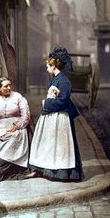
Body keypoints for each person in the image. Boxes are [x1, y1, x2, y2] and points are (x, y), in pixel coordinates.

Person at [29, 47, 85, 182]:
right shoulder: (55, 79)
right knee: (50, 143)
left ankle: (63, 173)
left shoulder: (64, 81)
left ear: (53, 66)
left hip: (61, 117)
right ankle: (47, 169)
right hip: (52, 116)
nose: (47, 69)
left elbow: (63, 101)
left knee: (60, 145)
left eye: (48, 67)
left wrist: (46, 103)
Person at [0, 76, 34, 181]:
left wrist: (17, 125)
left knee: (13, 139)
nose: (9, 88)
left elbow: (25, 115)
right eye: (6, 86)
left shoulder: (18, 97)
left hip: (16, 126)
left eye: (9, 85)